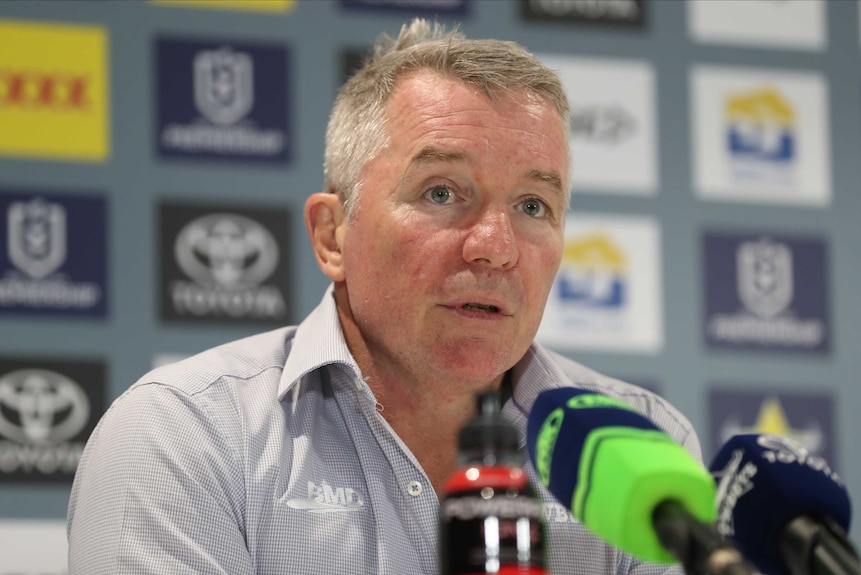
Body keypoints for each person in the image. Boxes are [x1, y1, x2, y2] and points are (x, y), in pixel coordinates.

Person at [67, 19, 701, 574]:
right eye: (442, 193)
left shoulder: (645, 448)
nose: (495, 246)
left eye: (533, 205)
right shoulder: (185, 437)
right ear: (331, 235)